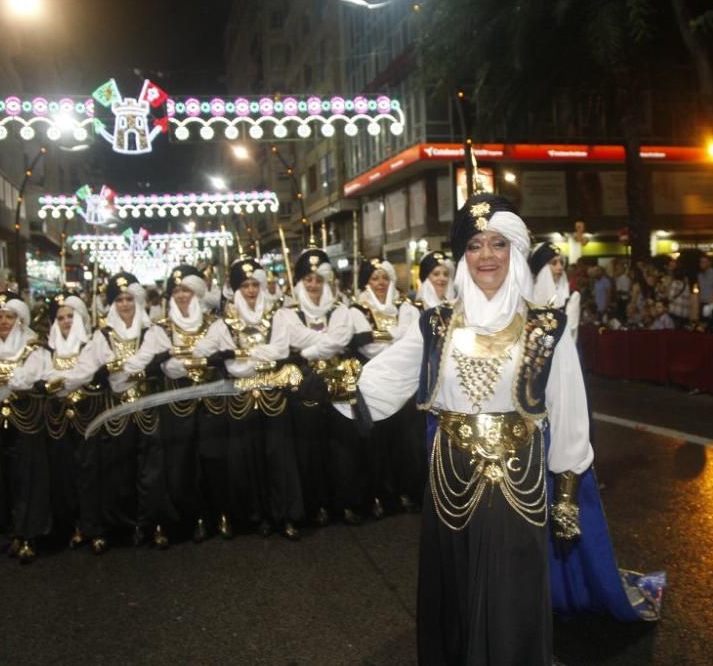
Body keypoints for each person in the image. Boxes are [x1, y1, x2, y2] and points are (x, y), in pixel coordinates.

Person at [336, 194, 662, 665]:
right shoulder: (436, 323)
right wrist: (323, 389)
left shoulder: (545, 327)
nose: (486, 256)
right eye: (473, 245)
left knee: (511, 586)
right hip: (450, 475)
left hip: (520, 479)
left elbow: (568, 408)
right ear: (461, 255)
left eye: (497, 244)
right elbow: (382, 380)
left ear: (515, 249)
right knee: (457, 584)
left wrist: (567, 490)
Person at [123, 265, 228, 547]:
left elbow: (229, 352)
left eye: (187, 290)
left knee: (212, 459)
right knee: (180, 463)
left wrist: (211, 358)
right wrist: (119, 366)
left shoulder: (215, 324)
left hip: (211, 401)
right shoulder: (161, 329)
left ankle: (217, 514)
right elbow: (141, 359)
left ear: (197, 292)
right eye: (177, 290)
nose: (182, 295)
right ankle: (190, 518)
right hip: (176, 404)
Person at [60, 272, 153, 552]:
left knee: (151, 470)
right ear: (113, 304)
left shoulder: (152, 331)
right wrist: (56, 381)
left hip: (150, 410)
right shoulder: (102, 337)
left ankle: (151, 524)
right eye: (119, 299)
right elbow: (84, 370)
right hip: (118, 413)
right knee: (122, 470)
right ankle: (126, 524)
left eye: (129, 299)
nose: (125, 304)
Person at [213, 257, 304, 540]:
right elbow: (232, 367)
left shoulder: (277, 315)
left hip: (273, 396)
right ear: (236, 289)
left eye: (254, 284)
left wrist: (245, 354)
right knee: (247, 460)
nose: (251, 290)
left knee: (280, 458)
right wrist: (257, 357)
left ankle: (286, 515)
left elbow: (280, 350)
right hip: (241, 399)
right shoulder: (224, 322)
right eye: (245, 285)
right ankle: (258, 516)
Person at [272, 246, 358, 526]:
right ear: (299, 281)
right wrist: (322, 342)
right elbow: (292, 340)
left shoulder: (340, 309)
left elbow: (341, 339)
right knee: (310, 448)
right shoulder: (287, 313)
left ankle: (344, 503)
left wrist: (308, 349)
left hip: (338, 384)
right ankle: (316, 505)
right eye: (308, 279)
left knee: (342, 446)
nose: (313, 285)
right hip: (306, 386)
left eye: (318, 279)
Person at [0, 292, 53, 563]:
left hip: (27, 421)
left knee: (27, 475)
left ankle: (29, 531)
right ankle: (10, 531)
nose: (3, 321)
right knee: (1, 476)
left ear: (19, 320)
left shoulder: (35, 348)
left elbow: (29, 381)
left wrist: (1, 380)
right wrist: (14, 381)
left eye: (9, 316)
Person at [349, 256, 421, 517]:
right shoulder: (357, 310)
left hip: (405, 383)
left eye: (384, 277)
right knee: (375, 442)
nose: (380, 283)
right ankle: (378, 494)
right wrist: (397, 337)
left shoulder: (407, 307)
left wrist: (381, 335)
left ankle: (406, 490)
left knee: (404, 441)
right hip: (373, 384)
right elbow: (368, 347)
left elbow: (414, 341)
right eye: (374, 278)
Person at [43, 291, 101, 551]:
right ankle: (75, 525)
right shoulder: (47, 350)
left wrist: (60, 381)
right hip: (59, 420)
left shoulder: (90, 345)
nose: (66, 321)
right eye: (61, 317)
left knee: (92, 472)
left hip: (87, 416)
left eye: (70, 316)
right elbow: (45, 377)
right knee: (66, 473)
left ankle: (96, 527)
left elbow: (86, 374)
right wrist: (62, 381)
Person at [529, 241, 581, 342]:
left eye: (561, 262)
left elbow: (567, 332)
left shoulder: (571, 296)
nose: (560, 267)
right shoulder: (528, 296)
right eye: (554, 263)